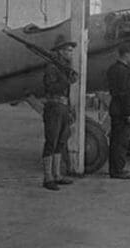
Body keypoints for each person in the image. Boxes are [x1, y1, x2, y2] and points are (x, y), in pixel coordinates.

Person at [41, 34, 78, 191]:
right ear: (60, 51)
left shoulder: (64, 67)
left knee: (61, 141)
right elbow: (49, 88)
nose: (70, 53)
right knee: (51, 141)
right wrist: (66, 80)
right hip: (53, 106)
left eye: (71, 50)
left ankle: (57, 175)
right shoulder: (52, 67)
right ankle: (48, 177)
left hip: (63, 107)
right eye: (68, 50)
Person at [106, 43, 130, 179]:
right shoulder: (124, 71)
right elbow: (125, 94)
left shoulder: (112, 69)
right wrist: (128, 113)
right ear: (127, 53)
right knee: (121, 141)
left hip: (114, 108)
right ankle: (118, 170)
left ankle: (114, 168)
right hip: (121, 111)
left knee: (115, 140)